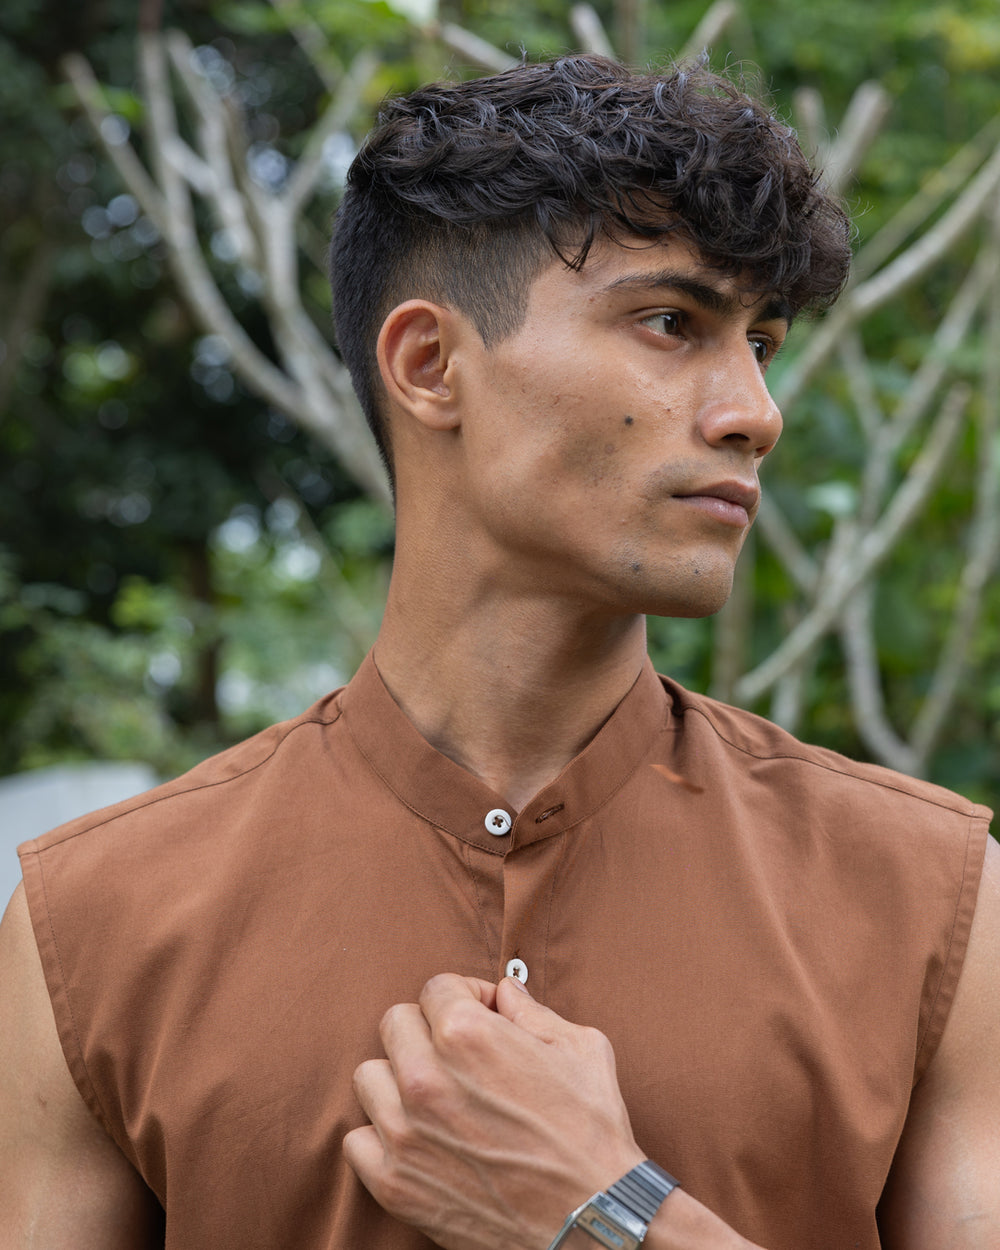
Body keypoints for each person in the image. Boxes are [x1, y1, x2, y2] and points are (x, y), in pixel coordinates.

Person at [1, 53, 997, 1250]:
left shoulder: (934, 899)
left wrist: (609, 1216)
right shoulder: (94, 920)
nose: (754, 410)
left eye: (763, 343)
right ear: (429, 365)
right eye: (673, 322)